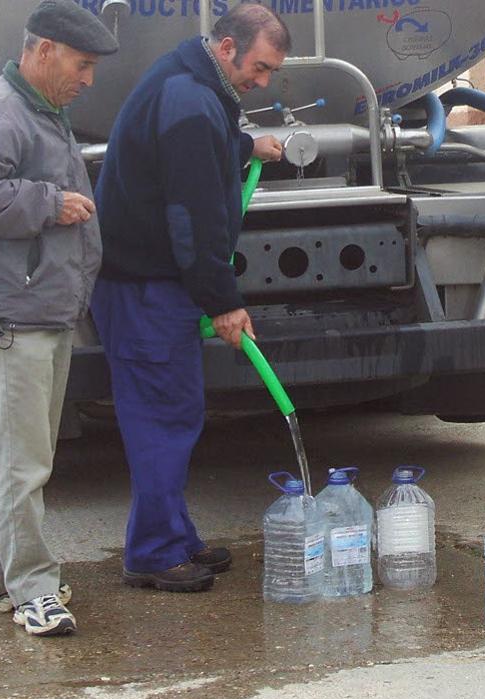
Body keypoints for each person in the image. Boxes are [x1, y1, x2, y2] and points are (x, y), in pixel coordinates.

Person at [90, 3, 287, 593]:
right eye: (259, 66)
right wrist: (222, 301)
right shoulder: (192, 100)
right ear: (226, 47)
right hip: (143, 289)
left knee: (175, 414)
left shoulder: (190, 83)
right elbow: (192, 220)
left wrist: (245, 146)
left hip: (149, 286)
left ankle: (174, 537)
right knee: (162, 420)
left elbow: (192, 154)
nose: (263, 81)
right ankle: (152, 553)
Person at [0, 0, 117, 636]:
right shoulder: (2, 111)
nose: (87, 79)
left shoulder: (39, 109)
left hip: (35, 305)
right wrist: (47, 203)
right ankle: (33, 589)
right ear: (42, 51)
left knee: (5, 452)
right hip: (15, 310)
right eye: (81, 64)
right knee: (24, 461)